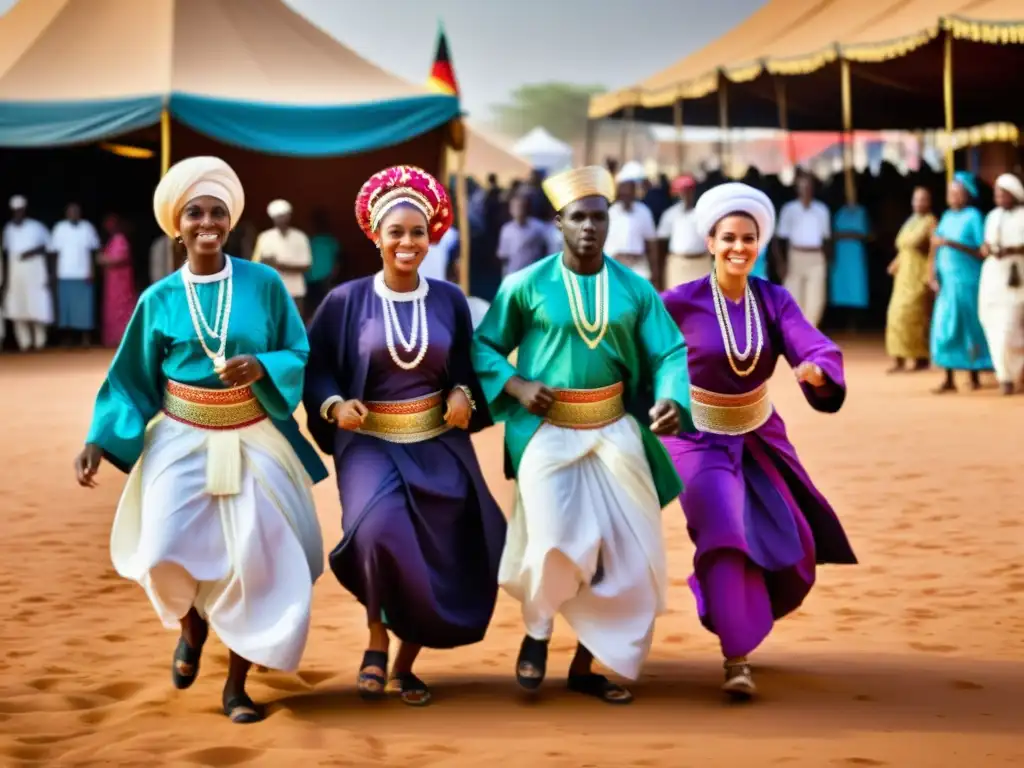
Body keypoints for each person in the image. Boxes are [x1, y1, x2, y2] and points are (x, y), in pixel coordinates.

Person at [73, 156, 328, 724]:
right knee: (162, 548)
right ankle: (192, 627)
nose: (207, 222)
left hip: (253, 436)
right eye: (195, 213)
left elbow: (298, 351)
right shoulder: (158, 299)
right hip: (180, 437)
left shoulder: (262, 283)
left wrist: (263, 367)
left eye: (217, 213)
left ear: (231, 223)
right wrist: (98, 436)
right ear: (177, 225)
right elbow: (131, 379)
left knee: (253, 561)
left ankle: (237, 686)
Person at [472, 165, 695, 705]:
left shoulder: (635, 289)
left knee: (626, 553)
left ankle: (585, 663)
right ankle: (537, 634)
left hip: (616, 429)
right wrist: (518, 385)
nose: (590, 227)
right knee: (552, 541)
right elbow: (483, 347)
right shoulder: (524, 285)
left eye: (600, 217)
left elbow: (669, 352)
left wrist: (672, 398)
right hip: (547, 433)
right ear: (559, 223)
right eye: (579, 218)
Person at [304, 165, 506, 707]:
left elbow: (465, 363)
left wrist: (464, 391)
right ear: (376, 235)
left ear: (430, 236)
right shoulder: (345, 301)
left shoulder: (448, 299)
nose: (407, 242)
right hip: (368, 441)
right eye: (396, 232)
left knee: (439, 549)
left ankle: (404, 663)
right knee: (377, 531)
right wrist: (332, 403)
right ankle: (375, 633)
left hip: (438, 442)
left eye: (417, 232)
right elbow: (317, 365)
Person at [659, 183, 857, 699]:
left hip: (758, 433)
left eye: (748, 239)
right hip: (695, 437)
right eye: (728, 238)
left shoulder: (774, 299)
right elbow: (636, 343)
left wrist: (818, 370)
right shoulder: (681, 301)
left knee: (789, 537)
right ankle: (736, 656)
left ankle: (743, 611)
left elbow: (812, 344)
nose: (738, 248)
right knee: (724, 526)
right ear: (710, 241)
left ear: (760, 243)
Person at [929, 172, 991, 393]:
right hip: (947, 283)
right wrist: (932, 275)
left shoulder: (974, 217)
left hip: (967, 281)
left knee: (968, 326)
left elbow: (981, 251)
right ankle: (949, 377)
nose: (953, 197)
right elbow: (935, 247)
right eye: (950, 193)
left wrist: (952, 243)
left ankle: (974, 374)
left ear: (967, 195)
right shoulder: (945, 216)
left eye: (957, 193)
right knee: (945, 327)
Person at [978, 173, 1024, 395]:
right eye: (997, 193)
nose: (999, 197)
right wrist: (986, 249)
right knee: (991, 323)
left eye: (1003, 193)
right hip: (993, 276)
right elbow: (986, 243)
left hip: (1017, 276)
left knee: (1009, 328)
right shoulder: (992, 216)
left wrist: (1012, 250)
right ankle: (1004, 376)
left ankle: (1013, 373)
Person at [885, 187, 936, 373]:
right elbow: (905, 248)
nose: (919, 203)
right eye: (916, 199)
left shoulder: (930, 222)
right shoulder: (911, 221)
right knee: (894, 314)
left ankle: (921, 358)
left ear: (929, 202)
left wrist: (931, 274)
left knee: (914, 316)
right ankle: (898, 359)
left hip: (918, 273)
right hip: (903, 275)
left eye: (923, 199)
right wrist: (895, 263)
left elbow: (933, 250)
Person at [775, 174, 831, 327]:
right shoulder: (789, 209)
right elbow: (779, 239)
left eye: (808, 186)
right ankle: (795, 336)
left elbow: (827, 239)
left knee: (816, 300)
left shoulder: (822, 210)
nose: (805, 190)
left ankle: (809, 335)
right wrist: (781, 263)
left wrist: (827, 259)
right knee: (793, 299)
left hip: (816, 257)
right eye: (802, 186)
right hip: (795, 256)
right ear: (797, 189)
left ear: (813, 189)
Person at [2, 195, 52, 352]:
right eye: (15, 211)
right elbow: (6, 253)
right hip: (15, 273)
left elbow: (48, 247)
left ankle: (39, 343)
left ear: (25, 210)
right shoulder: (8, 229)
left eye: (20, 210)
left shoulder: (36, 227)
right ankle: (24, 343)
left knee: (37, 306)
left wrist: (33, 251)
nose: (18, 213)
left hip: (35, 271)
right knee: (18, 308)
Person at [50, 202, 101, 347]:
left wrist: (92, 271)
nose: (74, 214)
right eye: (71, 211)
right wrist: (54, 274)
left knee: (85, 309)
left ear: (80, 213)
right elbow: (54, 253)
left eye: (76, 211)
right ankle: (67, 339)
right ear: (66, 214)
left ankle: (85, 339)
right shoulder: (59, 228)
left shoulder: (87, 227)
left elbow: (93, 251)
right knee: (66, 309)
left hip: (83, 274)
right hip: (65, 274)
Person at [253, 199, 312, 316]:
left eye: (283, 215)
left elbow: (306, 266)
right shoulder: (264, 237)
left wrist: (278, 265)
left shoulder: (300, 237)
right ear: (272, 218)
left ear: (289, 216)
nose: (281, 219)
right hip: (272, 290)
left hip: (296, 291)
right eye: (278, 216)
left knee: (295, 326)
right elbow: (256, 264)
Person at [606, 162, 658, 281]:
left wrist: (655, 272)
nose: (626, 196)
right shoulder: (611, 213)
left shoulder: (644, 212)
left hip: (638, 268)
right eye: (624, 193)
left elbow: (651, 244)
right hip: (615, 267)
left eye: (629, 193)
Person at [658, 174, 708, 288]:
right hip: (678, 265)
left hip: (701, 264)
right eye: (683, 191)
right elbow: (661, 244)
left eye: (689, 191)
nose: (686, 194)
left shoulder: (703, 213)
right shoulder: (670, 214)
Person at [829, 200, 872, 329]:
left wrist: (846, 234)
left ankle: (855, 323)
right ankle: (841, 323)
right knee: (841, 287)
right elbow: (830, 234)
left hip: (855, 255)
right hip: (840, 254)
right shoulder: (838, 212)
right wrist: (852, 234)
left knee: (856, 287)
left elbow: (868, 234)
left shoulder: (861, 212)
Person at [98, 215, 138, 349]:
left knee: (122, 305)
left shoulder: (120, 239)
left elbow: (121, 258)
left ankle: (123, 337)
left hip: (121, 280)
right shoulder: (112, 240)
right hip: (112, 280)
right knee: (112, 307)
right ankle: (113, 338)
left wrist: (104, 260)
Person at [497, 192, 550, 278]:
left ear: (526, 208)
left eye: (521, 206)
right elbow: (504, 257)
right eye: (515, 207)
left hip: (532, 275)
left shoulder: (538, 227)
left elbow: (550, 245)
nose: (518, 210)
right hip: (514, 275)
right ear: (510, 210)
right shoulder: (506, 230)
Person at [305, 208, 340, 318]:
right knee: (314, 309)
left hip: (323, 279)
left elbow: (337, 261)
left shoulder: (330, 241)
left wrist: (333, 276)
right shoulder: (310, 240)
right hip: (311, 279)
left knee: (322, 308)